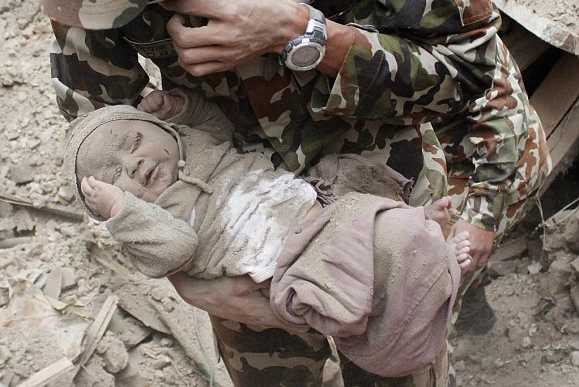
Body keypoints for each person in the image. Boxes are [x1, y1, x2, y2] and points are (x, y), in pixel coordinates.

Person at [39, 0, 551, 385]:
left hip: (382, 204)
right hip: (229, 235)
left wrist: (304, 36)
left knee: (403, 352)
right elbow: (99, 136)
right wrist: (187, 274)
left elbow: (471, 76)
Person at [63, 89, 472, 377]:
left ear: (165, 130)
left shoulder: (193, 143)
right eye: (115, 176)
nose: (132, 164)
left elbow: (213, 122)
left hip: (317, 205)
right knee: (357, 309)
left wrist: (180, 107)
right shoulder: (154, 219)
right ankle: (413, 293)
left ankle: (430, 244)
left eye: (135, 142)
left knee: (383, 223)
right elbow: (175, 248)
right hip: (287, 264)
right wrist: (124, 211)